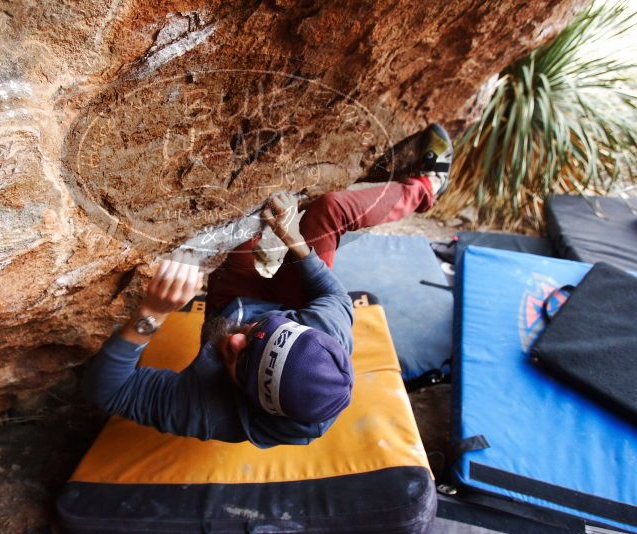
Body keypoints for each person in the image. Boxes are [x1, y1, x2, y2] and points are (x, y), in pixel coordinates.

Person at [83, 124, 452, 447]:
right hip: (288, 305)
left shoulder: (213, 410)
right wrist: (293, 240)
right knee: (329, 210)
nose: (233, 339)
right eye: (257, 332)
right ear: (299, 327)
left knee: (239, 230)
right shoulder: (327, 328)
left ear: (245, 395)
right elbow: (331, 294)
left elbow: (109, 392)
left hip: (237, 306)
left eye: (240, 360)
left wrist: (151, 314)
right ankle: (424, 188)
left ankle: (259, 327)